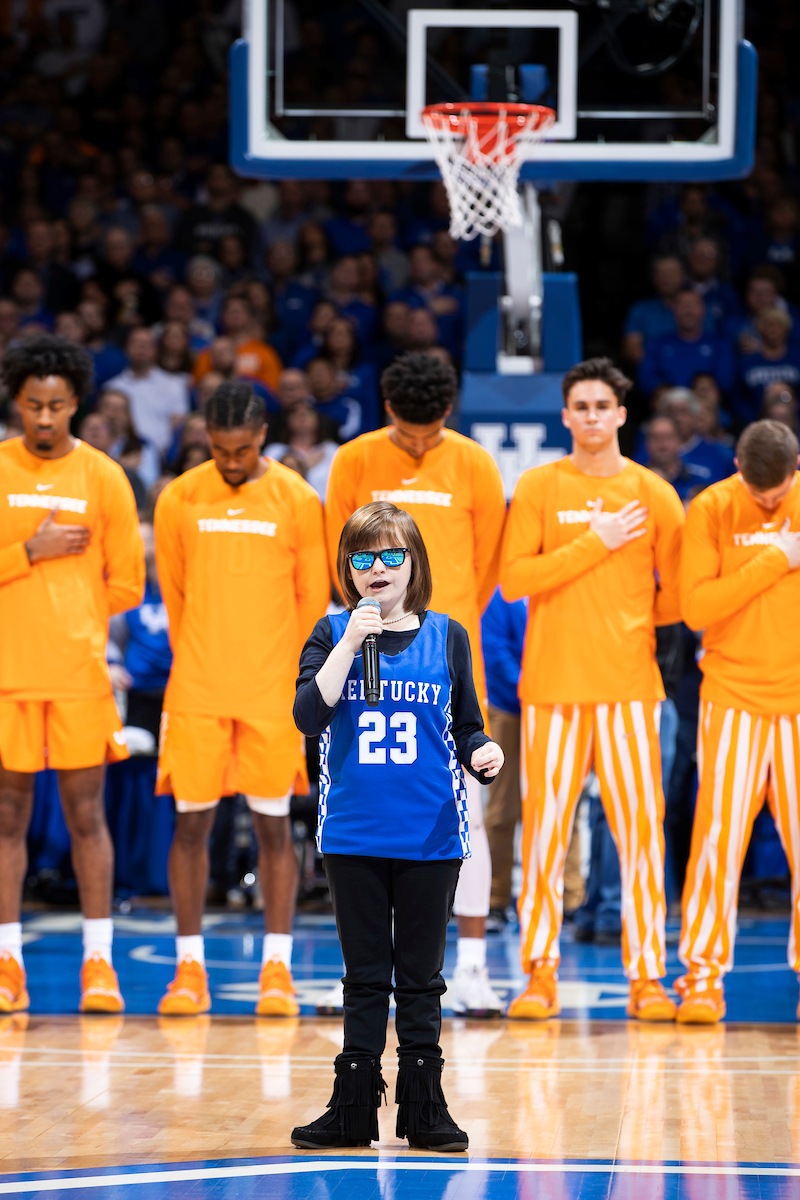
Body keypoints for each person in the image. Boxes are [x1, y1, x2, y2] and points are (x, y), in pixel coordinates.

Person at [291, 501, 503, 1151]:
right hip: (352, 833)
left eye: (391, 555)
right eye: (362, 557)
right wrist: (354, 640)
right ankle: (353, 1107)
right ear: (346, 568)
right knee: (364, 975)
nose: (377, 568)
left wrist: (482, 752)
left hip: (431, 835)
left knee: (420, 976)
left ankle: (424, 1105)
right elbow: (306, 715)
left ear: (415, 562)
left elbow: (466, 724)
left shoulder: (449, 635)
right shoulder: (331, 633)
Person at [500, 356, 685, 1021]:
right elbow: (515, 580)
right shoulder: (538, 486)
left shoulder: (655, 493)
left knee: (640, 836)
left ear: (621, 414)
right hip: (550, 688)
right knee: (545, 838)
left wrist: (628, 622)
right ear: (564, 416)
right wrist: (596, 544)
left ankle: (648, 977)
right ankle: (538, 973)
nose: (591, 416)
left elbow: (680, 597)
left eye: (602, 406)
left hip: (631, 689)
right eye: (580, 406)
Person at [324, 353, 507, 1018]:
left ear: (449, 416)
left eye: (430, 435)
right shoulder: (352, 461)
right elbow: (335, 557)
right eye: (407, 433)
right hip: (368, 656)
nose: (419, 445)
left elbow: (487, 567)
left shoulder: (476, 464)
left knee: (465, 818)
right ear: (387, 409)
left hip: (447, 657)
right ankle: (363, 970)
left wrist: (434, 632)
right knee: (358, 809)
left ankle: (475, 970)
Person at [153, 381, 329, 1017]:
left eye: (244, 449)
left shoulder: (297, 498)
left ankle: (276, 969)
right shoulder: (179, 497)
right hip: (198, 686)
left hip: (269, 691)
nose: (232, 461)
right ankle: (188, 971)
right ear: (206, 438)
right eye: (221, 450)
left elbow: (313, 602)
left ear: (263, 438)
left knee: (273, 828)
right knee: (192, 824)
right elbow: (175, 597)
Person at [0, 334, 144, 1014]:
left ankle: (99, 963)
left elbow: (128, 586)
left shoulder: (104, 477)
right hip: (9, 674)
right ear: (17, 403)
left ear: (77, 403)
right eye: (34, 405)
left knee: (88, 816)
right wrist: (30, 551)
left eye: (57, 405)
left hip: (81, 674)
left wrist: (71, 608)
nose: (46, 418)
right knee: (7, 819)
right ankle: (7, 965)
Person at [677, 420, 800, 1024]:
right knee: (718, 843)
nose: (770, 504)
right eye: (760, 496)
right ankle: (703, 978)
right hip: (730, 697)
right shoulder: (712, 506)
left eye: (778, 497)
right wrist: (777, 558)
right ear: (737, 466)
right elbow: (696, 607)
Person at [480, 587, 528, 925]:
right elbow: (494, 650)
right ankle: (496, 897)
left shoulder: (558, 581)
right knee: (502, 808)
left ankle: (570, 897)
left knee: (560, 803)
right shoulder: (503, 593)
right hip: (508, 707)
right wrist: (530, 686)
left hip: (555, 705)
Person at [105, 327, 190, 456]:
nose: (141, 348)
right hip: (118, 456)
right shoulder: (112, 387)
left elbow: (178, 426)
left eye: (146, 344)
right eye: (136, 343)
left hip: (160, 457)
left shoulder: (173, 385)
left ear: (156, 350)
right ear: (126, 348)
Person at [638, 290, 736, 398]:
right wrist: (667, 392)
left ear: (703, 309)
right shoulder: (657, 343)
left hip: (708, 408)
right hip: (669, 406)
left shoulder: (720, 344)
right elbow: (646, 380)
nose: (688, 310)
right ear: (674, 310)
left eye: (693, 304)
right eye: (682, 305)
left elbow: (726, 383)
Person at [737, 308, 800, 427]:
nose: (774, 330)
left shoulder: (797, 357)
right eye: (769, 325)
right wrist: (751, 417)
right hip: (756, 421)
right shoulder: (749, 360)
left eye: (778, 326)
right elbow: (739, 395)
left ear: (786, 329)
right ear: (761, 329)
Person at [265, 401, 340, 500]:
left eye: (309, 412)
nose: (302, 416)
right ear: (287, 419)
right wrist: (305, 466)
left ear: (318, 418)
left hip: (326, 509)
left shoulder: (332, 450)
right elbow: (269, 485)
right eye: (295, 412)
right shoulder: (274, 451)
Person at [621, 255, 686, 365]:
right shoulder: (640, 309)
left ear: (684, 276)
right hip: (655, 377)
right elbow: (631, 349)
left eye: (671, 272)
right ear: (654, 278)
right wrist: (658, 370)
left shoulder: (698, 307)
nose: (666, 278)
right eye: (660, 273)